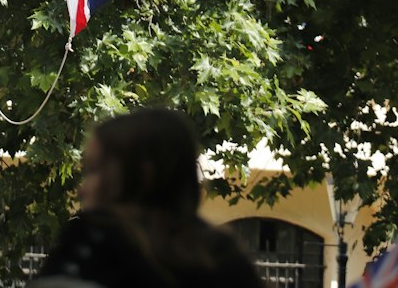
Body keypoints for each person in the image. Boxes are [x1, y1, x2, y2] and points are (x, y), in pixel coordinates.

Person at [32, 107, 262, 288]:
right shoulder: (224, 255)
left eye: (94, 170)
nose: (82, 190)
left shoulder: (95, 238)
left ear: (143, 174)